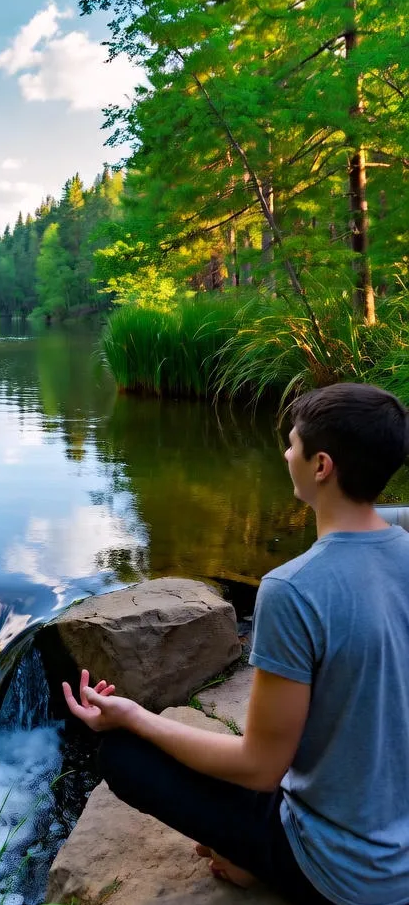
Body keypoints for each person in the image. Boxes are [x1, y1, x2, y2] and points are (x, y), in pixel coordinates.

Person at [63, 383, 409, 905]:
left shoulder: (293, 589)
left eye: (293, 444)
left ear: (321, 467)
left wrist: (133, 714)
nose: (285, 453)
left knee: (123, 755)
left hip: (349, 874)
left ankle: (264, 862)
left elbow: (261, 768)